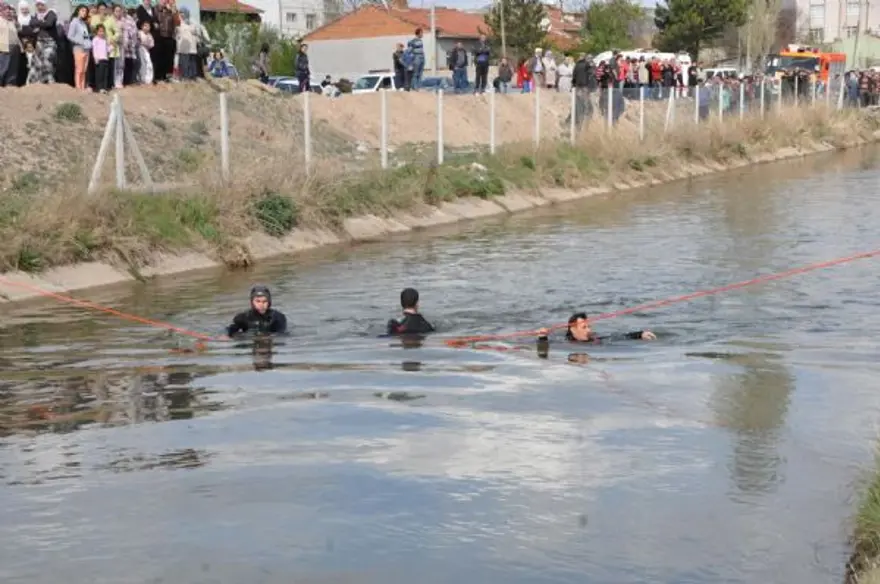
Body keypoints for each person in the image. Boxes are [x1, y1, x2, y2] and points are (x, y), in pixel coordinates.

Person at [537, 312, 655, 346]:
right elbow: (544, 348)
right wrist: (542, 337)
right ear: (573, 329)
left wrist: (640, 334)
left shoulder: (594, 339)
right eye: (584, 327)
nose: (588, 330)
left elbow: (618, 336)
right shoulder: (563, 342)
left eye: (589, 326)